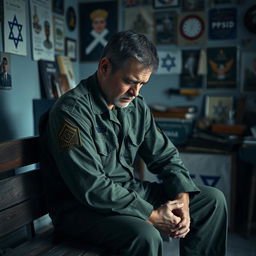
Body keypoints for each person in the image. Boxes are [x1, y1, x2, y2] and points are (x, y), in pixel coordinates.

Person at [39, 31, 228, 256]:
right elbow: (90, 187)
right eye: (129, 81)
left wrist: (182, 198)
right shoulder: (71, 112)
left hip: (128, 193)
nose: (135, 92)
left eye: (142, 84)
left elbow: (165, 156)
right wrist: (152, 214)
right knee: (146, 235)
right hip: (81, 210)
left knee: (211, 201)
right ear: (105, 67)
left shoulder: (135, 105)